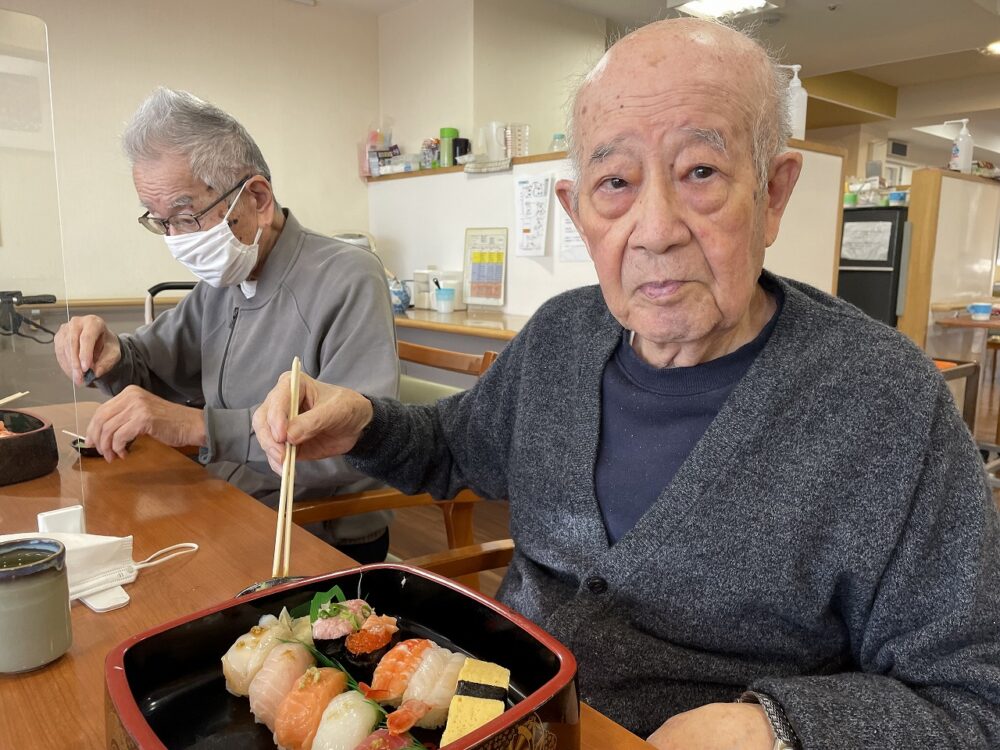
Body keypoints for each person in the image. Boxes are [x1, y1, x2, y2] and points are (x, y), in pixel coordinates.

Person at [253, 19, 1000, 749]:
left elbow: (974, 698)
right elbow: (455, 446)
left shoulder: (884, 398)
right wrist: (364, 423)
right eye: (615, 182)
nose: (654, 229)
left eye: (700, 172)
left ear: (773, 194)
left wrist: (776, 729)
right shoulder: (562, 335)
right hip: (496, 715)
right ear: (580, 214)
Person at [54, 88, 399, 563]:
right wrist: (109, 352)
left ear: (255, 196)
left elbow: (353, 442)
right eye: (161, 223)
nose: (176, 240)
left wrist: (199, 427)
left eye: (185, 216)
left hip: (316, 529)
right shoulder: (224, 280)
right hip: (230, 500)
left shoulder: (348, 275)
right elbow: (150, 369)